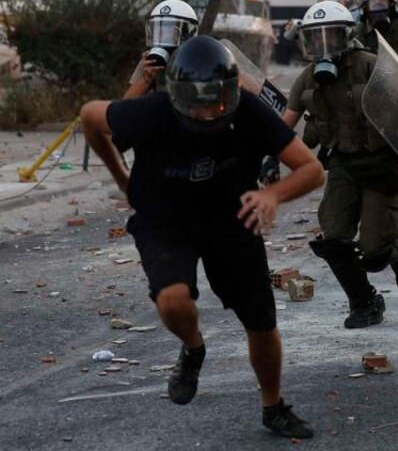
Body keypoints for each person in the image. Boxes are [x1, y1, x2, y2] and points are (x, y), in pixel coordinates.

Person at [79, 36, 323, 438]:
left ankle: (273, 406)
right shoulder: (149, 113)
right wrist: (121, 175)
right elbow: (90, 117)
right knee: (173, 300)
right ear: (175, 94)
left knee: (261, 323)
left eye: (217, 101)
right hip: (165, 220)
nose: (207, 112)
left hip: (232, 220)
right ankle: (194, 349)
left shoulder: (249, 113)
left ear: (231, 91)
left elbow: (312, 169)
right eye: (196, 102)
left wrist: (272, 195)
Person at [282, 1, 398, 329]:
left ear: (348, 35)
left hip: (382, 165)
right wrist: (263, 159)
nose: (324, 46)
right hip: (342, 163)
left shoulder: (373, 66)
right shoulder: (307, 79)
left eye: (332, 37)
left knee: (373, 254)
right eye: (317, 38)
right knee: (333, 238)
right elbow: (283, 126)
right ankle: (364, 303)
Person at [124, 0, 199, 99]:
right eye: (159, 31)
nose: (163, 36)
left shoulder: (197, 61)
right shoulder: (149, 61)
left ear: (186, 35)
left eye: (170, 31)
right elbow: (125, 105)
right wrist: (147, 77)